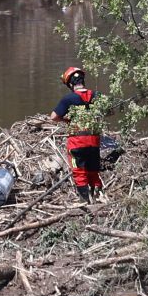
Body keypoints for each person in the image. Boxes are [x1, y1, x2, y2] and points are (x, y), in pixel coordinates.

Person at [49, 66, 103, 203]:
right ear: (83, 81)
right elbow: (110, 112)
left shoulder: (69, 99)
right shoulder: (97, 96)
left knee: (79, 171)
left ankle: (85, 201)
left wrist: (66, 119)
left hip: (77, 142)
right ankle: (97, 197)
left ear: (70, 84)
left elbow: (53, 117)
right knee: (93, 170)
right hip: (94, 140)